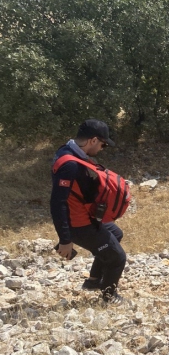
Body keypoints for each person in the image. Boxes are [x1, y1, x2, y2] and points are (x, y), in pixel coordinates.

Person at [50, 119, 127, 303]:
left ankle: (93, 280)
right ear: (93, 140)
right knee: (117, 258)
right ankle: (109, 297)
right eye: (103, 144)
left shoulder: (67, 150)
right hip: (79, 224)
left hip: (85, 216)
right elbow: (57, 202)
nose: (102, 148)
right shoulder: (70, 165)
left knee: (115, 233)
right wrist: (65, 239)